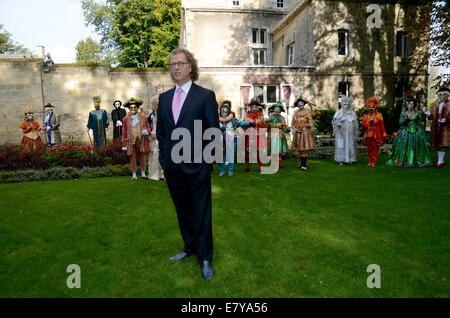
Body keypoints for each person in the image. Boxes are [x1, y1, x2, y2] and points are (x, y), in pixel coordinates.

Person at [156, 48, 219, 280]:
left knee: (201, 213)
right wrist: (164, 159)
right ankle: (189, 247)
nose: (176, 68)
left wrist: (206, 164)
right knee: (183, 212)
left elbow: (213, 132)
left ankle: (205, 257)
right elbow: (162, 133)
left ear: (190, 67)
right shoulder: (163, 99)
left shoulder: (205, 96)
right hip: (173, 168)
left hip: (198, 167)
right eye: (173, 64)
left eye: (181, 63)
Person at [385, 91, 433, 168]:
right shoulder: (404, 113)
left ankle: (416, 159)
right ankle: (405, 159)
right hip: (405, 130)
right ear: (405, 104)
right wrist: (405, 120)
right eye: (407, 104)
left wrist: (424, 114)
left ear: (414, 104)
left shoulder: (417, 112)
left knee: (417, 144)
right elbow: (400, 122)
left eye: (411, 103)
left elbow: (422, 119)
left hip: (417, 130)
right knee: (404, 144)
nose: (409, 105)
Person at [218, 100, 255, 176]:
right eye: (222, 111)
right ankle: (222, 170)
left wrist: (249, 123)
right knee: (222, 156)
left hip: (231, 140)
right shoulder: (216, 120)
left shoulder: (233, 120)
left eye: (225, 111)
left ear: (228, 111)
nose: (224, 113)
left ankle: (230, 170)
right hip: (220, 141)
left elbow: (240, 123)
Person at [121, 98, 151, 181]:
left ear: (138, 108)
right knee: (133, 158)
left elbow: (148, 127)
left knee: (142, 157)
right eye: (131, 107)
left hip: (141, 141)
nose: (133, 109)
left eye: (134, 107)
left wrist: (146, 131)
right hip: (131, 141)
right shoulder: (125, 119)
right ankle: (134, 175)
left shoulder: (144, 117)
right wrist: (124, 144)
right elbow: (123, 131)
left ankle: (143, 174)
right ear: (129, 109)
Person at [424, 87, 449, 167]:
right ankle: (440, 160)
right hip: (435, 127)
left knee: (443, 144)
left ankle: (440, 161)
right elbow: (431, 116)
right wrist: (428, 114)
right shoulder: (435, 104)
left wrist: (446, 119)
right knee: (437, 144)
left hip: (445, 127)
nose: (442, 96)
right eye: (440, 95)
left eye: (444, 94)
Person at [361, 96, 388, 167]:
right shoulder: (366, 116)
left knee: (375, 148)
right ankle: (370, 160)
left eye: (372, 106)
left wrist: (384, 133)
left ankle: (374, 161)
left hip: (376, 134)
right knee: (369, 148)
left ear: (375, 107)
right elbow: (363, 125)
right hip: (368, 134)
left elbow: (382, 125)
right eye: (369, 107)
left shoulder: (379, 115)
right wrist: (368, 122)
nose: (371, 108)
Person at [332, 96, 359, 164]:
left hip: (350, 133)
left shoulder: (352, 113)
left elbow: (355, 124)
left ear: (349, 104)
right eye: (344, 104)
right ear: (341, 104)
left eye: (347, 104)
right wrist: (340, 121)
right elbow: (334, 122)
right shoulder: (338, 113)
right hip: (341, 134)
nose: (345, 105)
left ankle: (350, 159)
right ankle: (341, 159)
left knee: (350, 144)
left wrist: (355, 132)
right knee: (341, 145)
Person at [291, 96, 316, 170]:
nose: (300, 105)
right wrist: (295, 129)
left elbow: (311, 122)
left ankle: (304, 165)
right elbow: (293, 123)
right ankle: (302, 164)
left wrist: (307, 125)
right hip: (298, 133)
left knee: (304, 149)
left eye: (301, 104)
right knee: (300, 149)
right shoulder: (296, 112)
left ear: (304, 104)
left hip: (305, 133)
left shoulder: (307, 112)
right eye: (299, 104)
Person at [243, 98, 268, 172]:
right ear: (250, 107)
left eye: (255, 107)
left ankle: (260, 166)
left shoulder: (260, 115)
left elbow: (264, 125)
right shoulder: (247, 115)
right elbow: (244, 124)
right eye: (252, 107)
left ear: (258, 108)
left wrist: (261, 123)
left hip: (259, 135)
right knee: (250, 151)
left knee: (260, 151)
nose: (254, 108)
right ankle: (248, 166)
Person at [266, 102, 289, 169]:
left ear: (280, 112)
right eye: (275, 111)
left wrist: (283, 127)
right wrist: (268, 123)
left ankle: (279, 165)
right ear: (274, 111)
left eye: (278, 111)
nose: (276, 112)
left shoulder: (282, 118)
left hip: (279, 136)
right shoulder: (271, 117)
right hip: (272, 135)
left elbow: (284, 126)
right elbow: (268, 125)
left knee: (278, 150)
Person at [147, 95, 164, 180]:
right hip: (157, 136)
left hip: (164, 136)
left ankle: (164, 174)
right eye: (155, 104)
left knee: (164, 154)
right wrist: (153, 134)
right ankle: (156, 174)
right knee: (155, 154)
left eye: (158, 103)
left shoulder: (166, 114)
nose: (157, 105)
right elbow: (154, 127)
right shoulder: (154, 116)